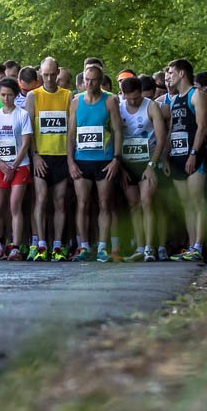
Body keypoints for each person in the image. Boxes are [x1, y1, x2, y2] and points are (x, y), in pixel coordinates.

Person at [67, 63, 122, 262]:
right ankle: (83, 247)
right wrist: (70, 162)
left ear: (101, 81)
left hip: (104, 161)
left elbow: (118, 131)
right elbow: (71, 134)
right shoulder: (76, 101)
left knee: (104, 203)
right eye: (86, 80)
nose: (89, 83)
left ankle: (102, 247)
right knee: (82, 204)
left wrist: (117, 158)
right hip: (81, 161)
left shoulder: (110, 101)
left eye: (93, 80)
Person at [25, 56, 71, 261]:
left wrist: (70, 157)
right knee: (41, 199)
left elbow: (72, 129)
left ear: (58, 72)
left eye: (53, 74)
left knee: (60, 201)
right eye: (46, 75)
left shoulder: (68, 95)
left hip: (61, 154)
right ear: (40, 74)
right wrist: (34, 155)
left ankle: (58, 245)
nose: (50, 78)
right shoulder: (33, 96)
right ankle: (41, 244)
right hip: (41, 155)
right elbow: (29, 130)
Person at [164, 58, 207, 262]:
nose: (168, 76)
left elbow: (201, 126)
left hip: (193, 156)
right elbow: (171, 129)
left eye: (171, 72)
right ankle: (192, 246)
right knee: (186, 204)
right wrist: (165, 155)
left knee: (197, 201)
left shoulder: (195, 94)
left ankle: (199, 245)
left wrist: (193, 153)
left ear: (182, 73)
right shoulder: (174, 99)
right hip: (176, 156)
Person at [118, 75, 166, 262]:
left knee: (146, 201)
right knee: (134, 205)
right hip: (128, 163)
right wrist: (120, 165)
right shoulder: (119, 106)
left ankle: (149, 247)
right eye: (129, 98)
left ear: (141, 93)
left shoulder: (150, 106)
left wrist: (152, 165)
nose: (132, 101)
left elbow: (161, 138)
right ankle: (139, 245)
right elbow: (114, 136)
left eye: (136, 98)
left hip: (148, 161)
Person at [0, 78, 32, 259]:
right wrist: (1, 164)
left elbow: (26, 143)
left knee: (14, 205)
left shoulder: (22, 115)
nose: (6, 98)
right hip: (0, 166)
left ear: (16, 95)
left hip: (20, 165)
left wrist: (13, 166)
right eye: (3, 95)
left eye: (9, 95)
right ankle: (0, 241)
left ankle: (16, 246)